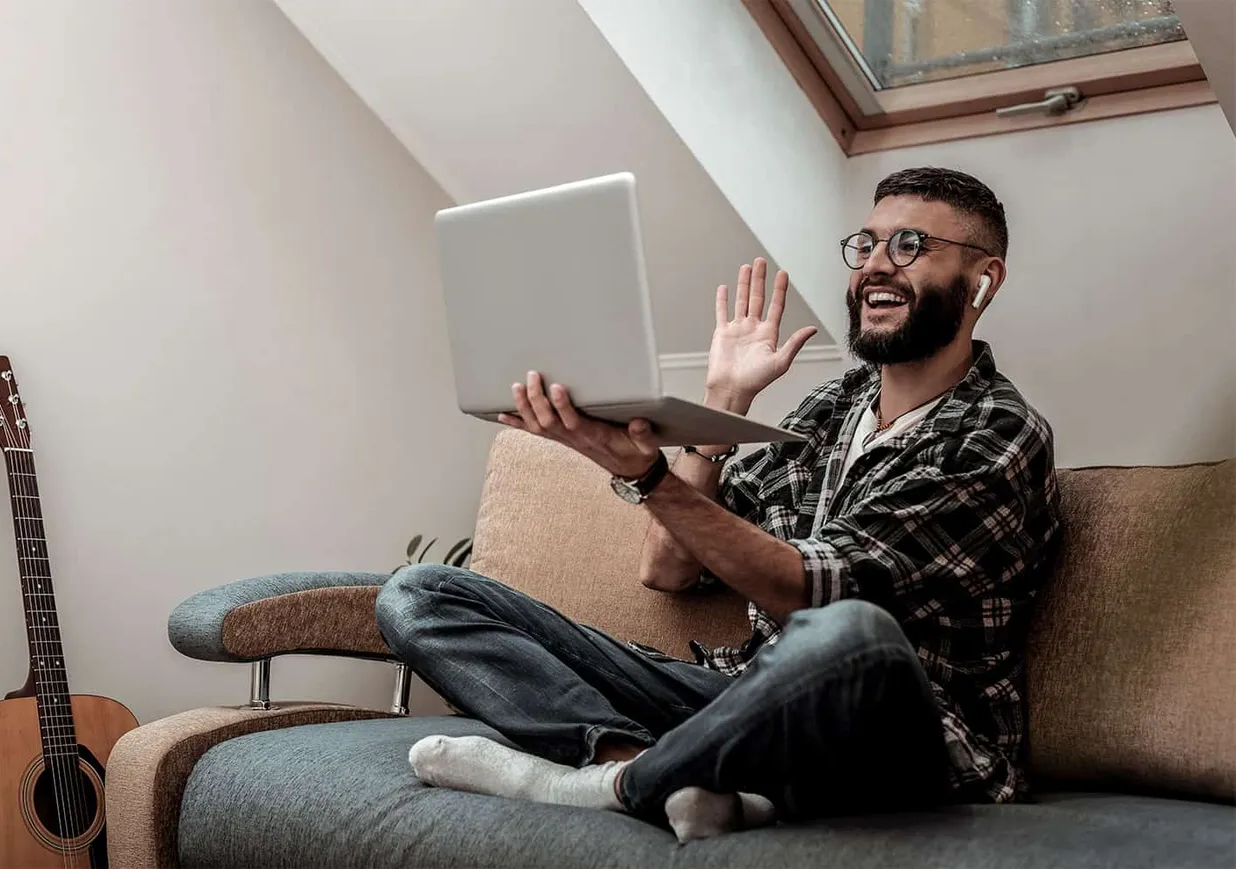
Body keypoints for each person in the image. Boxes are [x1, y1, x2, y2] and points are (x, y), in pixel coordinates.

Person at [375, 167, 1061, 842]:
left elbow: (804, 590)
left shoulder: (997, 434)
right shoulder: (833, 408)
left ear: (982, 279)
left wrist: (647, 473)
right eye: (868, 245)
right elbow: (670, 568)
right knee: (419, 594)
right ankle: (640, 768)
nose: (877, 267)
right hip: (744, 700)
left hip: (909, 740)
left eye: (910, 246)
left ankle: (583, 785)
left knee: (848, 631)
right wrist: (723, 404)